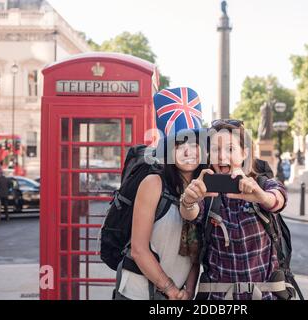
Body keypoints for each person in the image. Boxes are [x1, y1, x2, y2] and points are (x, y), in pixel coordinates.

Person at [180, 119, 289, 300]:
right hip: (218, 298)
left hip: (265, 295)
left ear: (244, 153)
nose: (222, 157)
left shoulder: (261, 183)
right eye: (215, 150)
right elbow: (191, 214)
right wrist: (188, 200)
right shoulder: (206, 191)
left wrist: (261, 196)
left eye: (230, 149)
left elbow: (278, 199)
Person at [115, 87, 207, 300]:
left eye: (193, 143)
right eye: (179, 144)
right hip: (139, 293)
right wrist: (170, 289)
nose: (188, 151)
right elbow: (138, 249)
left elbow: (195, 255)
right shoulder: (153, 183)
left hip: (178, 294)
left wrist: (189, 290)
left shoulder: (203, 188)